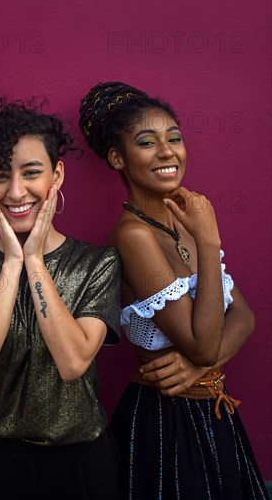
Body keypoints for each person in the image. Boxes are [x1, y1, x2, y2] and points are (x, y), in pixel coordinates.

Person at [78, 82, 268, 499]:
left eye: (175, 138)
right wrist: (210, 242)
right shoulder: (134, 236)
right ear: (117, 158)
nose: (168, 152)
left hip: (212, 409)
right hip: (168, 421)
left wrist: (202, 368)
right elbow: (202, 344)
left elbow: (246, 316)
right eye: (147, 142)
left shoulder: (183, 220)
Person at [0, 97, 123, 500]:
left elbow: (73, 362)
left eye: (31, 173)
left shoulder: (99, 263)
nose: (16, 191)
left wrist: (36, 260)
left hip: (80, 463)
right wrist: (11, 263)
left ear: (56, 175)